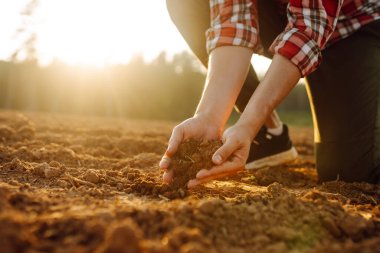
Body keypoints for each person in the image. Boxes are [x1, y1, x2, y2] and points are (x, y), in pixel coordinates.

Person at [160, 0, 380, 188]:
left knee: (349, 172)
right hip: (286, 21)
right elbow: (234, 24)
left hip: (355, 30)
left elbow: (308, 27)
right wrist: (209, 117)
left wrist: (247, 123)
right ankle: (266, 135)